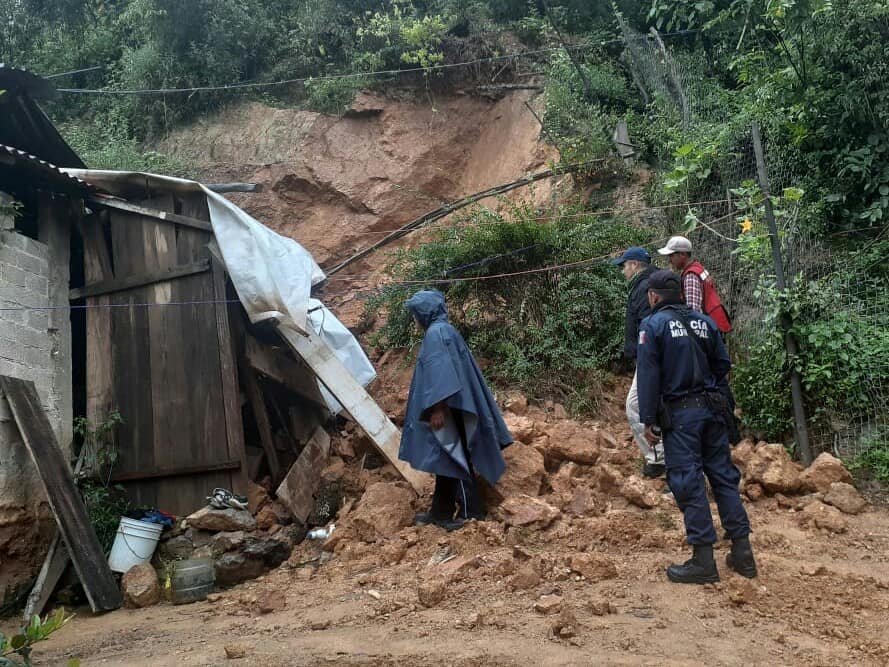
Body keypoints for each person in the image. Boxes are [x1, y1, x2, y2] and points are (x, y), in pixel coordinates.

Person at [636, 270, 757, 584]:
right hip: (713, 413)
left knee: (688, 483)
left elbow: (649, 376)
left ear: (653, 296)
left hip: (682, 418)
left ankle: (704, 560)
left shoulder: (653, 325)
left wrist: (649, 420)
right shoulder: (706, 322)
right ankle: (743, 555)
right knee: (723, 480)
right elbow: (722, 366)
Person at [399, 289, 513, 531]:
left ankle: (472, 514)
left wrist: (437, 408)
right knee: (447, 458)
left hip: (449, 408)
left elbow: (440, 372)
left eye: (415, 314)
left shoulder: (436, 334)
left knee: (454, 459)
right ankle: (440, 512)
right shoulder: (444, 330)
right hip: (457, 405)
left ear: (424, 313)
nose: (414, 320)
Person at [611, 246, 664, 478]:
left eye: (624, 266)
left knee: (635, 405)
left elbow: (648, 325)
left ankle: (659, 459)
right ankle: (659, 458)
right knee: (654, 406)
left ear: (633, 265)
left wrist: (645, 358)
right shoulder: (649, 283)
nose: (623, 271)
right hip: (653, 357)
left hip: (650, 358)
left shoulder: (644, 287)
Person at [657, 236, 732, 334]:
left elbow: (693, 312)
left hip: (708, 329)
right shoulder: (698, 268)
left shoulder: (691, 275)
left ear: (683, 254)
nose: (669, 260)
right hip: (714, 323)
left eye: (671, 255)